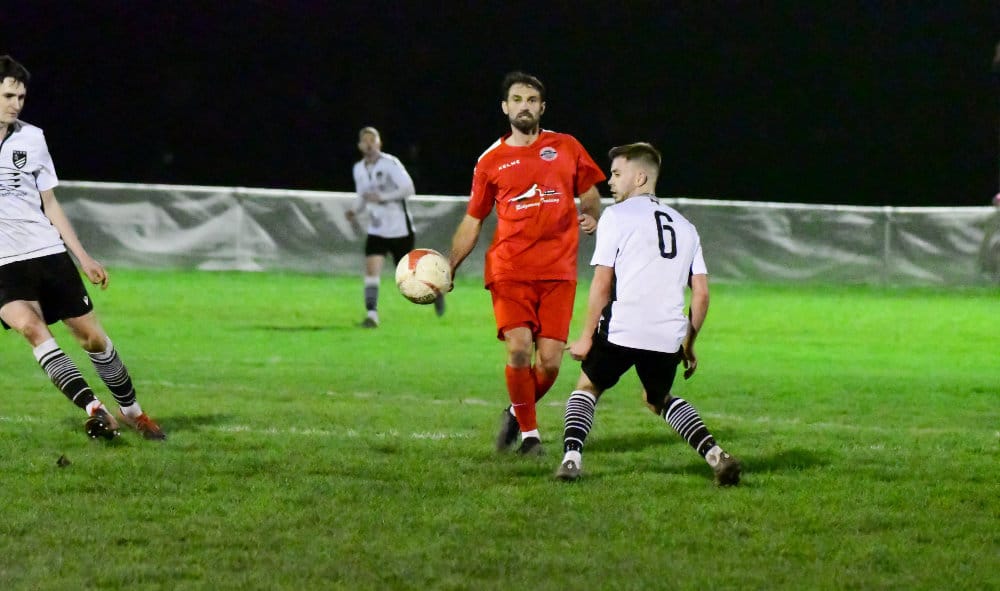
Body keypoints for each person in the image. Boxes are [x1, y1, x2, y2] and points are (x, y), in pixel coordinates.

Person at [555, 142, 740, 485]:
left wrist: (585, 337)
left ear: (639, 177)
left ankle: (571, 459)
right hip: (667, 334)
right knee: (657, 399)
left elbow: (602, 283)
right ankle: (715, 455)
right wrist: (689, 344)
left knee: (587, 387)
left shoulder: (616, 216)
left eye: (616, 174)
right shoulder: (686, 226)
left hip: (623, 327)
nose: (610, 181)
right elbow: (701, 294)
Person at [0, 55, 165, 440]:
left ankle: (132, 412)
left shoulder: (32, 138)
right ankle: (95, 409)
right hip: (3, 264)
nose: (16, 104)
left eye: (21, 97)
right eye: (8, 96)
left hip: (46, 253)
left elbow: (50, 203)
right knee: (31, 328)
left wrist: (83, 256)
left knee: (92, 339)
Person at [448, 71, 605, 455]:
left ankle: (516, 413)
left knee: (549, 363)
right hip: (510, 270)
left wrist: (591, 214)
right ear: (505, 107)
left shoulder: (566, 146)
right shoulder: (491, 161)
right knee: (519, 349)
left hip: (558, 271)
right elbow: (473, 219)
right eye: (517, 100)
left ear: (542, 107)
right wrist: (449, 266)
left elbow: (590, 192)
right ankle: (531, 435)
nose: (524, 106)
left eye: (532, 100)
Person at [346, 126, 443, 327]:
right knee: (371, 271)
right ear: (360, 145)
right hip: (377, 230)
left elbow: (408, 188)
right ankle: (372, 315)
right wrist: (354, 211)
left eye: (372, 140)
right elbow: (364, 196)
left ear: (379, 143)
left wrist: (382, 197)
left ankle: (435, 291)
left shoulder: (390, 163)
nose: (369, 144)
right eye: (365, 141)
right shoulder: (358, 169)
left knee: (409, 279)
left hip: (399, 229)